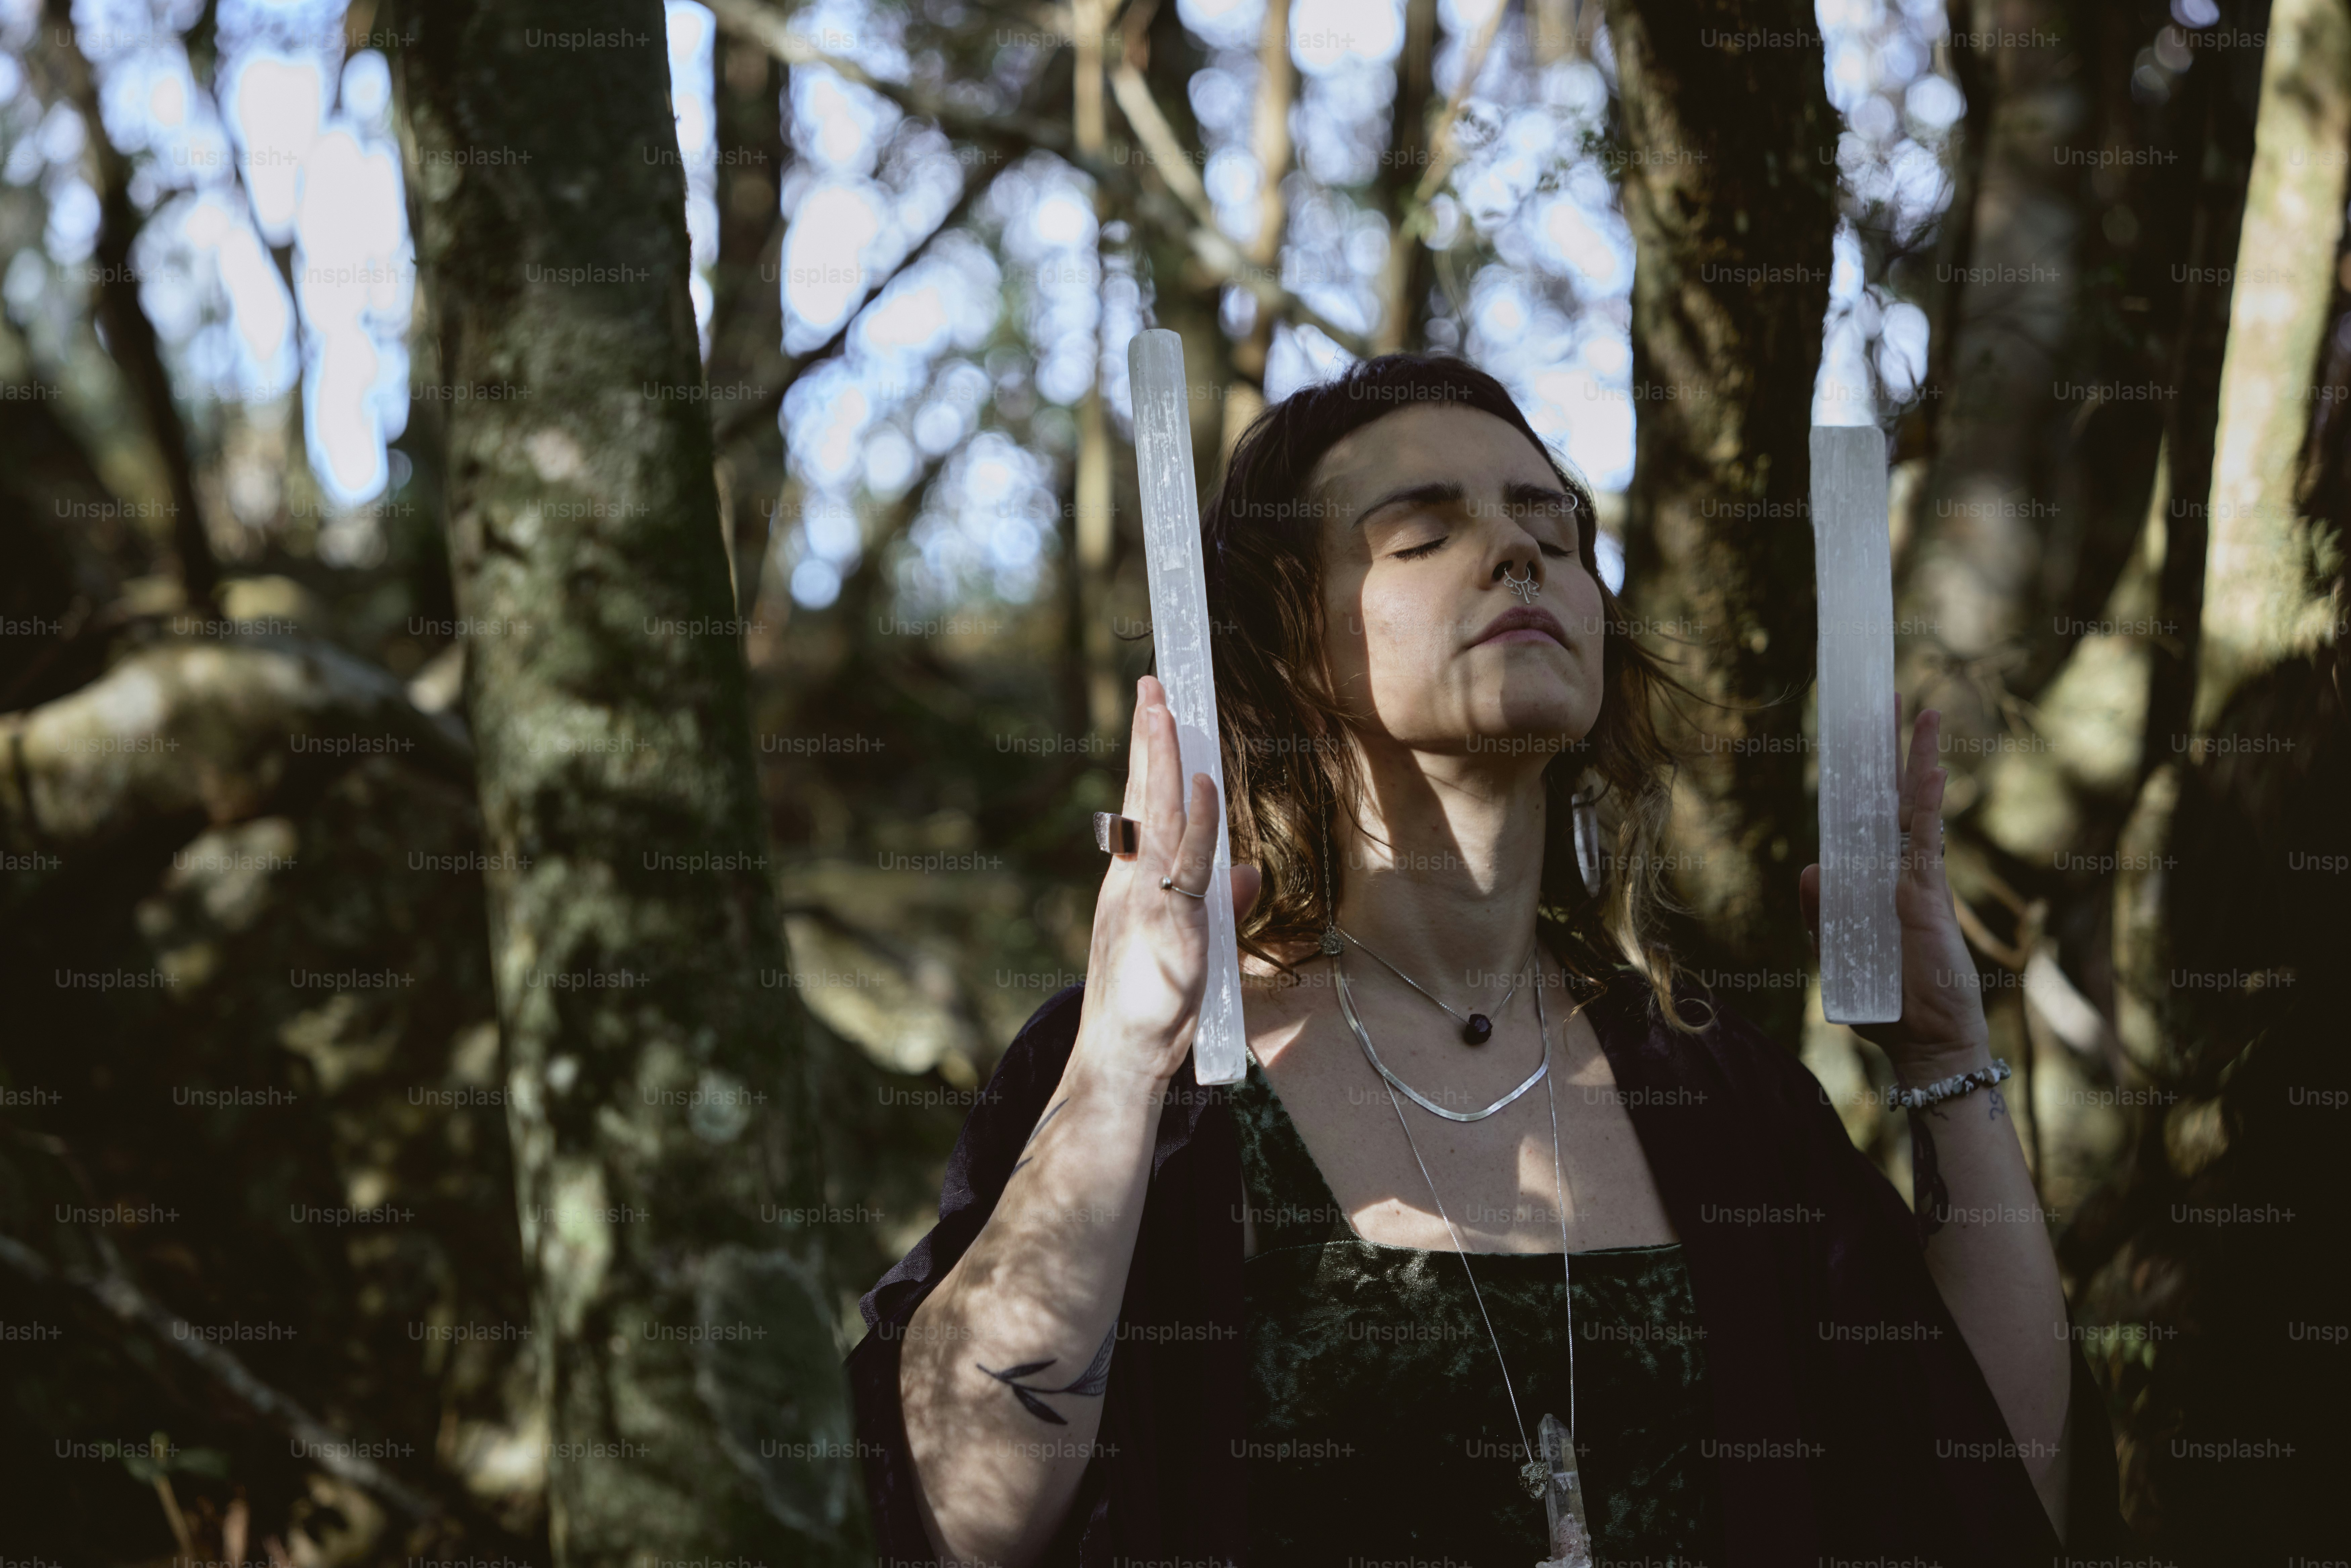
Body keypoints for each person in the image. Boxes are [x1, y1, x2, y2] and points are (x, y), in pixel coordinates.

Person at [847, 354, 2121, 1568]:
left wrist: (1951, 1062)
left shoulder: (1717, 1096)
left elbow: (1994, 1483)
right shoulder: (1174, 1079)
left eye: (1555, 533)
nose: (1518, 551)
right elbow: (969, 1518)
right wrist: (1120, 1063)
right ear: (1292, 643)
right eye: (1422, 534)